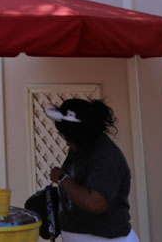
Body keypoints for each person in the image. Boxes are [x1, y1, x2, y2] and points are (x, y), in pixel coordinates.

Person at [46, 99, 138, 242]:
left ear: (81, 135)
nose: (67, 142)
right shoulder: (80, 149)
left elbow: (95, 203)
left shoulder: (105, 157)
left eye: (68, 137)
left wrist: (62, 179)